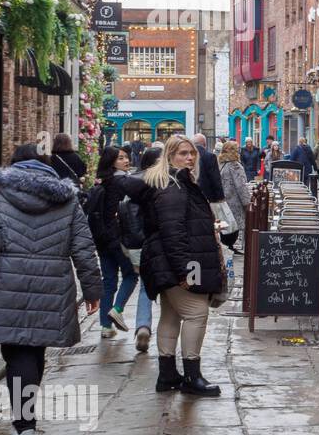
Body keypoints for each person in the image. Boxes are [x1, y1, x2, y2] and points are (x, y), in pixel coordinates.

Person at [0, 144, 102, 435]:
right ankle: (24, 429)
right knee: (32, 351)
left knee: (17, 352)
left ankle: (24, 432)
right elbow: (83, 248)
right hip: (52, 285)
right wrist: (93, 290)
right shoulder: (66, 199)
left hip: (7, 284)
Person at [135, 135, 224, 397]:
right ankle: (192, 376)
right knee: (197, 313)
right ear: (170, 156)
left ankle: (167, 375)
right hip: (176, 263)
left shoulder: (179, 182)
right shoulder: (172, 186)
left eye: (192, 153)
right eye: (183, 153)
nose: (190, 158)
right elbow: (173, 233)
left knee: (171, 316)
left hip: (167, 263)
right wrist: (185, 271)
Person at [88, 146, 141, 339]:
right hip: (119, 238)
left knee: (108, 281)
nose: (126, 161)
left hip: (102, 239)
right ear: (112, 162)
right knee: (131, 275)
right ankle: (117, 309)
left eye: (126, 157)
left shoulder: (102, 182)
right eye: (121, 158)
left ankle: (105, 326)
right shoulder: (122, 182)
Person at [120, 144, 163, 354]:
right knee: (170, 292)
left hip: (139, 244)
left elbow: (124, 215)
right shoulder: (164, 183)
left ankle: (143, 325)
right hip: (162, 243)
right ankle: (167, 334)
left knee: (145, 288)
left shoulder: (132, 184)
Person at [219, 140, 252, 254]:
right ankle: (232, 246)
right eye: (237, 148)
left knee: (228, 226)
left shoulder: (222, 164)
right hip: (234, 201)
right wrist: (247, 203)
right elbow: (241, 186)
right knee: (237, 225)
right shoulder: (235, 165)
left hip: (225, 200)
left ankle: (229, 246)